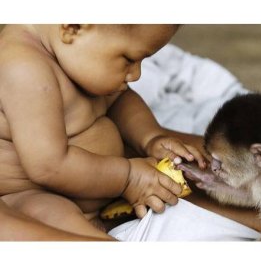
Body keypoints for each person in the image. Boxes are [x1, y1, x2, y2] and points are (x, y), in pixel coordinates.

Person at [0, 24, 248, 240]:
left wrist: (150, 137)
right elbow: (49, 166)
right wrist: (128, 178)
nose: (136, 74)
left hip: (108, 181)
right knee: (59, 222)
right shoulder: (23, 70)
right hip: (37, 193)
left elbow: (119, 99)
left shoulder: (77, 54)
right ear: (73, 27)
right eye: (129, 59)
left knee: (199, 176)